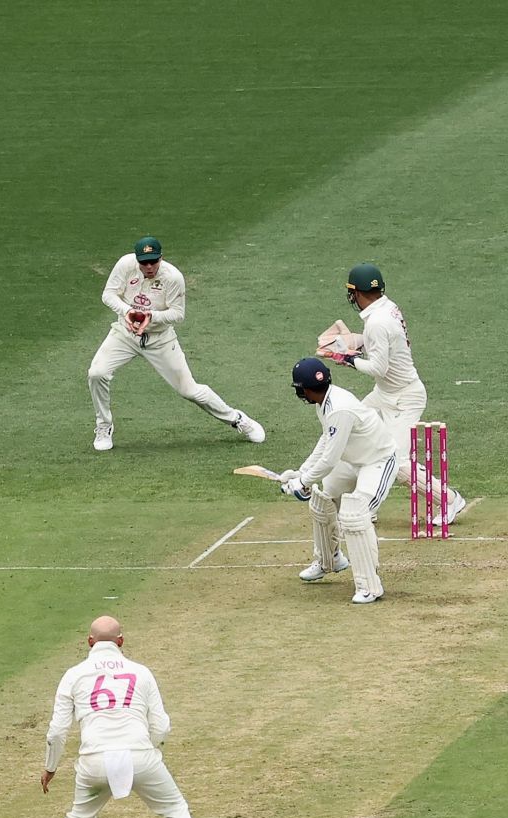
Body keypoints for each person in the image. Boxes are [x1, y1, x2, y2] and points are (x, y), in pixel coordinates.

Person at [41, 616, 222, 818]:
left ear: (89, 642)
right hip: (140, 755)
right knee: (175, 808)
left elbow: (57, 731)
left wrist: (50, 768)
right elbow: (161, 726)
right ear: (121, 641)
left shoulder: (73, 675)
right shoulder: (141, 673)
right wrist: (152, 751)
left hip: (93, 761)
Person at [86, 235, 265, 453]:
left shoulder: (173, 278)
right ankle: (104, 426)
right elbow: (108, 294)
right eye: (144, 262)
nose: (149, 267)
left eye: (154, 261)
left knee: (189, 391)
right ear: (137, 259)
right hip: (125, 333)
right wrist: (128, 312)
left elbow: (178, 315)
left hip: (160, 339)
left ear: (161, 258)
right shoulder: (125, 265)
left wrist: (150, 316)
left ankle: (238, 419)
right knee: (97, 373)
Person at [328, 263, 465, 525]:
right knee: (356, 438)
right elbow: (380, 344)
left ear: (357, 293)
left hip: (404, 398)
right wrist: (351, 344)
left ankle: (449, 500)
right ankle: (367, 501)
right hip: (384, 394)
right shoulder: (385, 309)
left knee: (395, 461)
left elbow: (379, 367)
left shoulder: (377, 322)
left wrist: (346, 359)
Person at [278, 357, 399, 605]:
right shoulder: (324, 401)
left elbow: (330, 459)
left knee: (356, 515)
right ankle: (329, 561)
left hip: (377, 460)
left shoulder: (339, 409)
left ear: (306, 389)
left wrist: (303, 482)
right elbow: (326, 442)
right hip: (350, 459)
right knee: (322, 502)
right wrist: (301, 473)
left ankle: (369, 586)